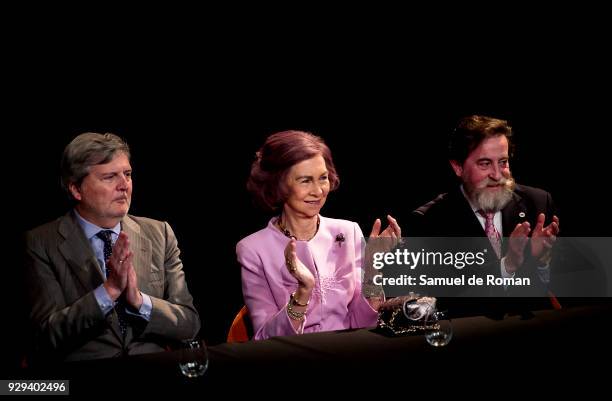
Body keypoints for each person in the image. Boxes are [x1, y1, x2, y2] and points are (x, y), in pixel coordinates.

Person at [24, 132, 200, 362]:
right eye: (109, 177)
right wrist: (108, 292)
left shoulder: (160, 234)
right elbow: (45, 337)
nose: (124, 185)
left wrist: (139, 301)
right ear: (76, 189)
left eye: (127, 174)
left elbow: (189, 324)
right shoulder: (41, 243)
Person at [237, 130, 400, 340]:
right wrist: (303, 292)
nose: (318, 190)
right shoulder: (252, 249)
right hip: (293, 358)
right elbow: (263, 339)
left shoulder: (348, 231)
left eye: (323, 178)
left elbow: (364, 323)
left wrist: (373, 268)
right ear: (278, 184)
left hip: (351, 351)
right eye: (305, 181)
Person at [408, 115, 560, 315]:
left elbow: (562, 285)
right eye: (485, 164)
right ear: (458, 167)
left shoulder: (538, 203)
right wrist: (510, 263)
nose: (497, 175)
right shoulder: (430, 222)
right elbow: (447, 302)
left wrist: (540, 260)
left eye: (503, 162)